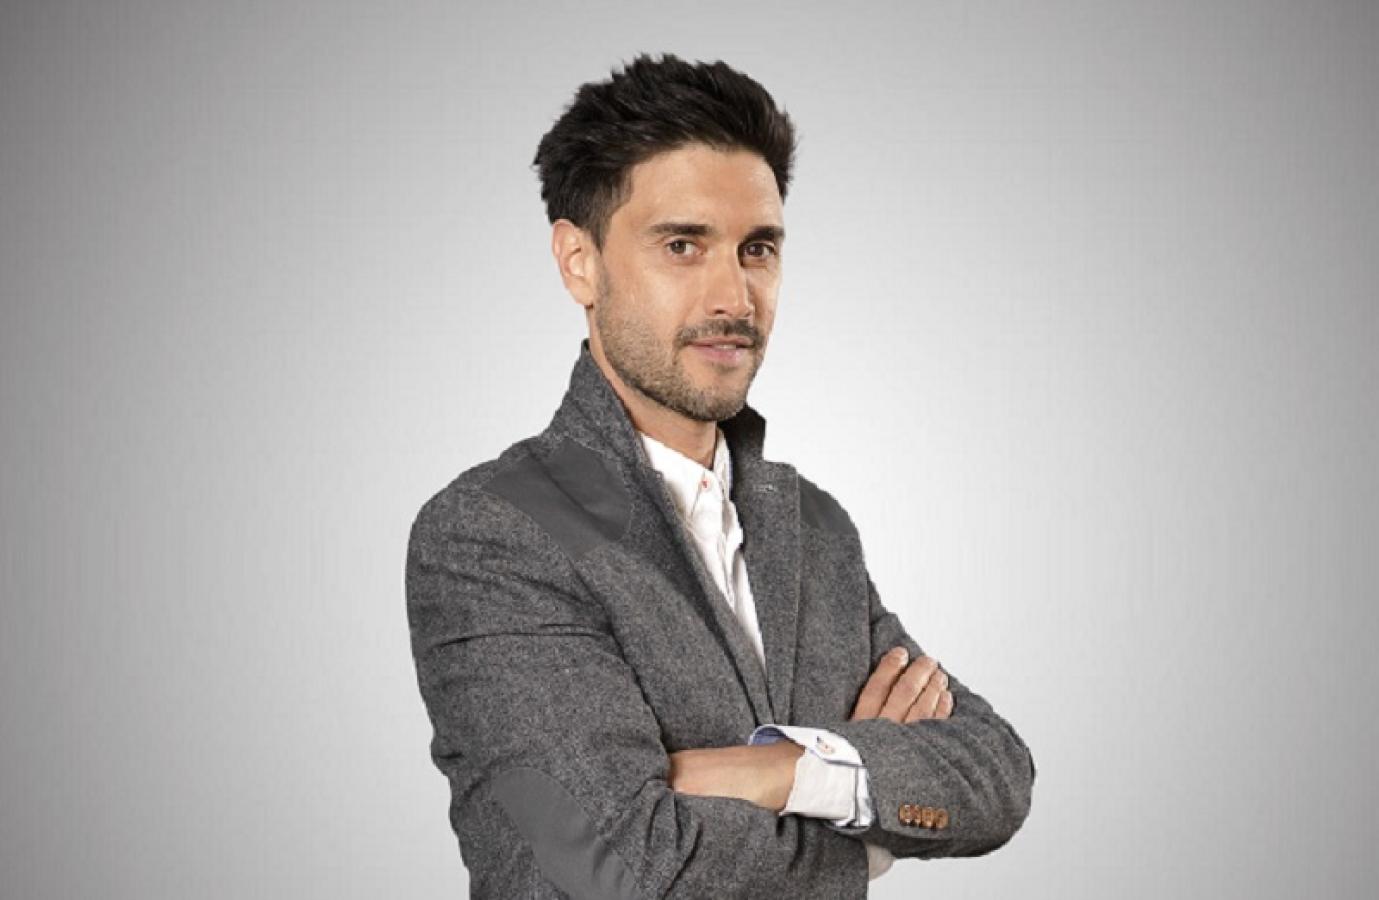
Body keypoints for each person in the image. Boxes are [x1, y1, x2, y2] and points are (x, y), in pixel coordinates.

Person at [406, 52, 1035, 899]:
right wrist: (866, 836)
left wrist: (786, 770)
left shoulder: (811, 527)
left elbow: (996, 774)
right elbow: (626, 869)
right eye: (682, 245)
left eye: (757, 249)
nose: (734, 297)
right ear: (578, 260)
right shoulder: (493, 532)